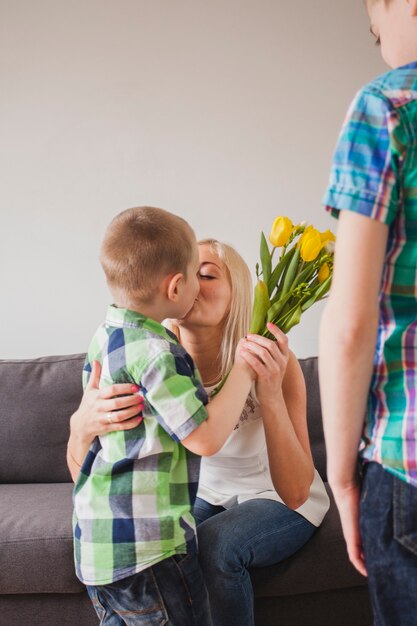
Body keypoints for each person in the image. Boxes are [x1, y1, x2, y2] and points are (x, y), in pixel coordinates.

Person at [68, 236, 330, 626]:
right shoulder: (153, 361)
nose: (191, 283)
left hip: (277, 497)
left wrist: (270, 396)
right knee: (152, 547)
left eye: (206, 274)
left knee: (213, 544)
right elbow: (88, 479)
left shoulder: (272, 359)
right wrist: (81, 425)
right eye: (186, 274)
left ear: (239, 292)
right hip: (202, 492)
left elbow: (294, 492)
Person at [319, 1, 417, 624]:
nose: (376, 34)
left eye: (372, 22)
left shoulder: (387, 107)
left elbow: (351, 323)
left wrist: (344, 474)